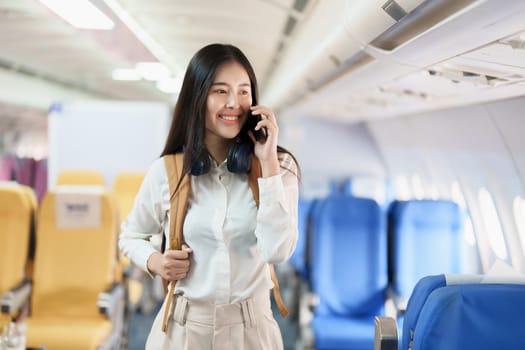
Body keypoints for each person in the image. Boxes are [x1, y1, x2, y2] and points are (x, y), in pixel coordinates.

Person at [119, 43, 300, 349]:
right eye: (220, 91)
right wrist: (156, 261)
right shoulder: (168, 171)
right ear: (197, 98)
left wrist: (267, 162)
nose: (234, 103)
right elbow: (129, 236)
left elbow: (277, 252)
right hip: (183, 329)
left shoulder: (278, 167)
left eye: (244, 91)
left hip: (252, 331)